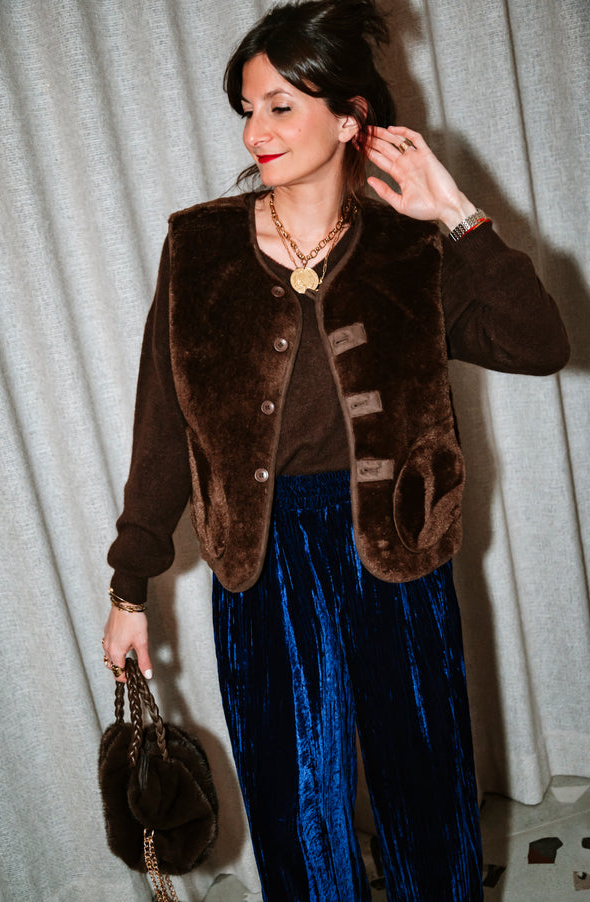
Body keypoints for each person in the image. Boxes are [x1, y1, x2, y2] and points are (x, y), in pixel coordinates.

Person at [101, 1, 569, 899]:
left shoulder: (409, 248)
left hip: (397, 549)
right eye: (249, 108)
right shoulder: (199, 248)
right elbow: (162, 425)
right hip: (263, 560)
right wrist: (130, 587)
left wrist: (457, 214)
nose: (256, 130)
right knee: (295, 810)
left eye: (281, 105)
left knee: (426, 794)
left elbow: (540, 343)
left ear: (350, 117)